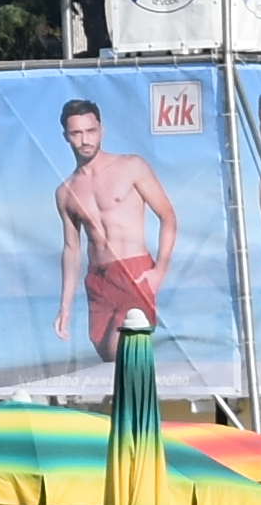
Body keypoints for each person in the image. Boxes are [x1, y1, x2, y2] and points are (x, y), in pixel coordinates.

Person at [49, 100, 183, 355]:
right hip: (98, 281)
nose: (85, 140)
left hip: (134, 272)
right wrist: (64, 307)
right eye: (77, 133)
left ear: (101, 130)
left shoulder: (131, 166)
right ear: (66, 136)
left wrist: (159, 270)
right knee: (110, 363)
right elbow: (71, 250)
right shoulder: (65, 192)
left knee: (119, 352)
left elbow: (168, 216)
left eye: (90, 131)